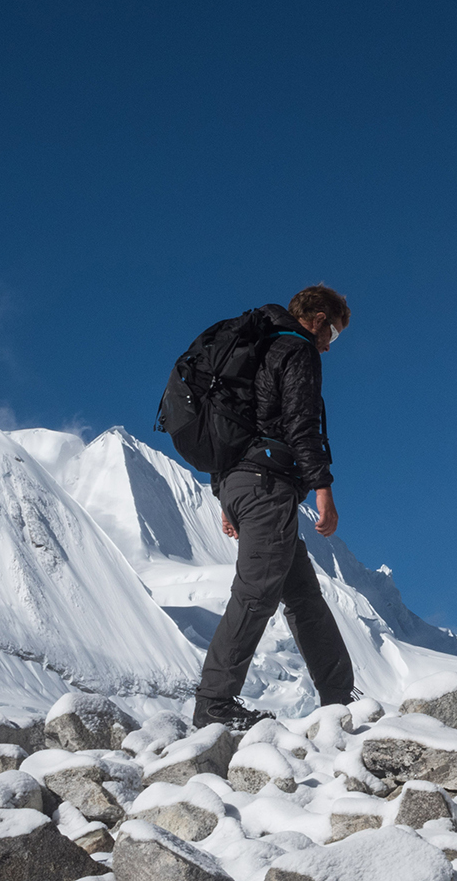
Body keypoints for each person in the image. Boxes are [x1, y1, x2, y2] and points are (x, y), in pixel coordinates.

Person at [193, 285, 357, 730]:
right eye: (335, 334)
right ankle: (213, 704)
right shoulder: (297, 350)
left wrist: (224, 495)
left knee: (302, 595)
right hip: (266, 485)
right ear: (320, 319)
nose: (330, 344)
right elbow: (300, 423)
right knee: (256, 592)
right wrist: (323, 488)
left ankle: (340, 698)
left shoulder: (255, 350)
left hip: (240, 482)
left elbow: (228, 427)